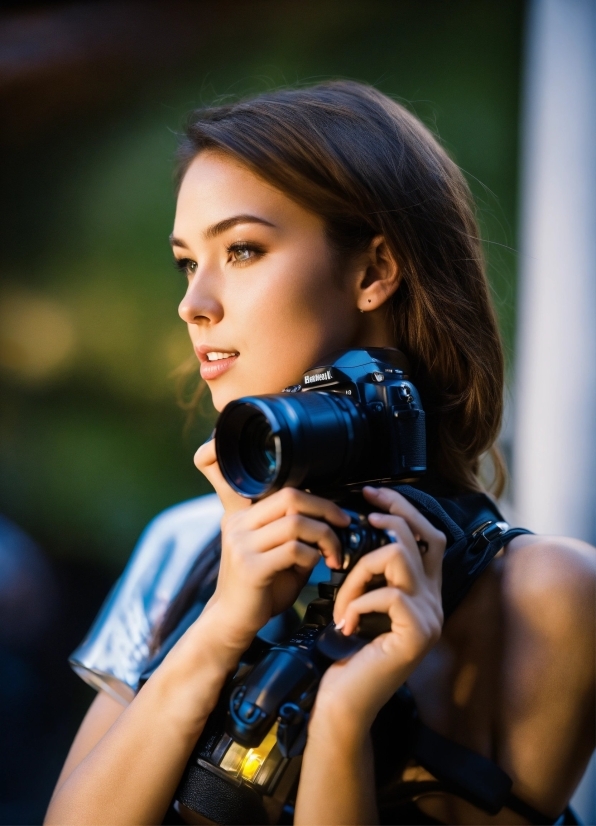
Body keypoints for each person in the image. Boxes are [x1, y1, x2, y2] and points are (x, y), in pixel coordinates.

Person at [45, 81, 595, 826]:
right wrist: (223, 624)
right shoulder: (185, 546)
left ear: (372, 272)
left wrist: (342, 724)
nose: (193, 302)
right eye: (186, 262)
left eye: (241, 250)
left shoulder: (549, 598)